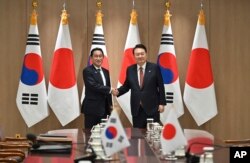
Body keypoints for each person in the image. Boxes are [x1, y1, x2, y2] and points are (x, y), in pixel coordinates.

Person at [116, 44, 166, 128]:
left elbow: (161, 86)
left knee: (152, 134)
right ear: (134, 56)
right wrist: (117, 91)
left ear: (146, 54)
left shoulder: (154, 67)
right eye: (137, 54)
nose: (140, 56)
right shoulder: (130, 69)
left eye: (142, 54)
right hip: (137, 109)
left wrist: (162, 103)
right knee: (138, 136)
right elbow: (126, 86)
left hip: (152, 108)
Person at [81, 47, 116, 129]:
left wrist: (110, 105)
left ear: (103, 57)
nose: (98, 58)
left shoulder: (106, 72)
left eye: (100, 56)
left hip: (105, 110)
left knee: (105, 135)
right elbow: (93, 85)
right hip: (92, 109)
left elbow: (107, 89)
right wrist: (110, 90)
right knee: (90, 134)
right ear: (91, 58)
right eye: (96, 56)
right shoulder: (87, 71)